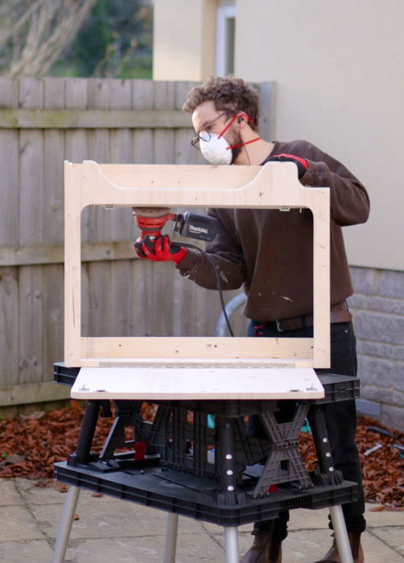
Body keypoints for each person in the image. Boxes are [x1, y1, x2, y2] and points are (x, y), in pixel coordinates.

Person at [135, 76, 370, 563]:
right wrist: (178, 255)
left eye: (208, 128)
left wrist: (309, 171)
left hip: (325, 326)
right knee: (264, 445)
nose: (203, 141)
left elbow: (358, 204)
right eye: (196, 133)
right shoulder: (226, 192)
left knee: (338, 442)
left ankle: (350, 547)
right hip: (264, 333)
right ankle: (268, 545)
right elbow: (230, 269)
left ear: (240, 119)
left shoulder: (299, 154)